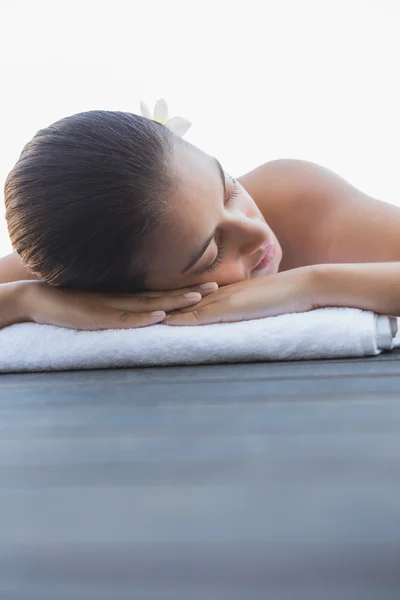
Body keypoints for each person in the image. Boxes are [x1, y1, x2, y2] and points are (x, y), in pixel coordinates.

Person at [1, 109, 400, 331]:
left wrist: (312, 283)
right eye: (211, 252)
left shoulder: (294, 198)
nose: (257, 231)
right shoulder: (87, 254)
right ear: (121, 292)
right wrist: (27, 299)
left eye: (229, 190)